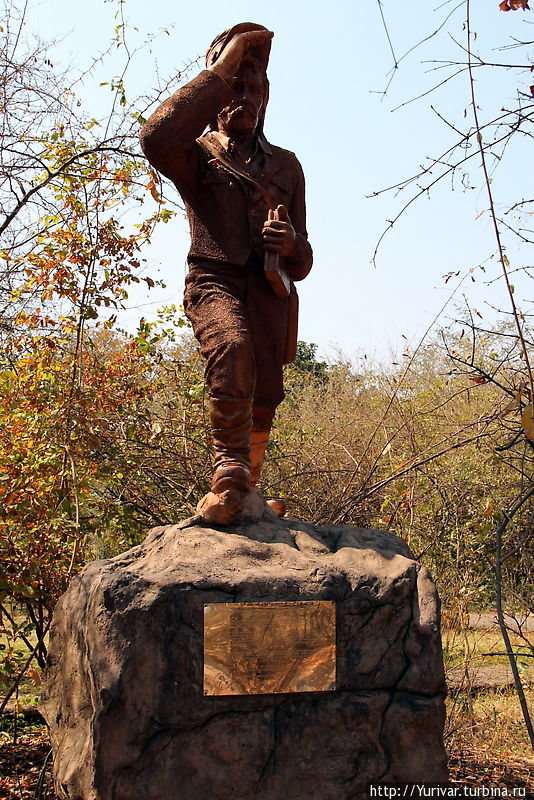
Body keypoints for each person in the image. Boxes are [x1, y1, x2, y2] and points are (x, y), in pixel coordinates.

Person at [140, 22, 312, 523]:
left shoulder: (286, 166)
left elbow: (305, 259)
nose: (245, 95)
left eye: (254, 86)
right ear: (215, 91)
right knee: (231, 350)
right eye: (236, 84)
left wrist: (293, 245)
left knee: (264, 391)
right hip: (213, 279)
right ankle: (230, 468)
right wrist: (221, 69)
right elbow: (157, 136)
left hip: (267, 289)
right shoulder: (197, 154)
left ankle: (246, 493)